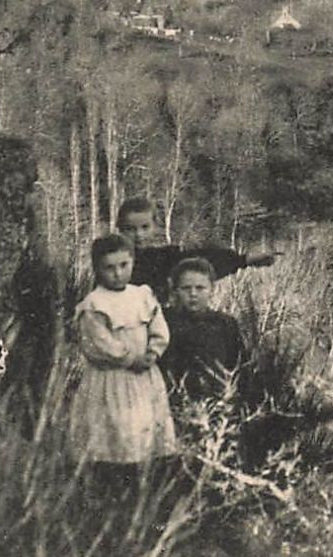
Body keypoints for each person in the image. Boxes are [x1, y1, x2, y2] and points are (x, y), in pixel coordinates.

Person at [70, 234, 178, 485]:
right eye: (109, 268)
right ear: (97, 269)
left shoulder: (142, 295)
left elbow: (159, 327)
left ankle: (146, 482)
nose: (118, 273)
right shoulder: (94, 305)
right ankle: (115, 482)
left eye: (124, 265)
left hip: (145, 377)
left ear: (132, 263)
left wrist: (153, 352)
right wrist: (129, 358)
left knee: (146, 427)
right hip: (113, 378)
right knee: (119, 431)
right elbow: (98, 343)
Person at [115, 198, 277, 303]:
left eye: (145, 227)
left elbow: (202, 262)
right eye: (130, 229)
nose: (138, 235)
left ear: (155, 227)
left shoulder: (163, 258)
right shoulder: (112, 262)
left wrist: (244, 260)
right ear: (119, 228)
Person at [159, 257, 247, 404]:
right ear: (174, 290)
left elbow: (238, 365)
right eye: (186, 288)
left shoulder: (225, 323)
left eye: (200, 288)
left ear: (212, 290)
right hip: (171, 401)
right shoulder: (164, 321)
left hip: (215, 401)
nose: (193, 294)